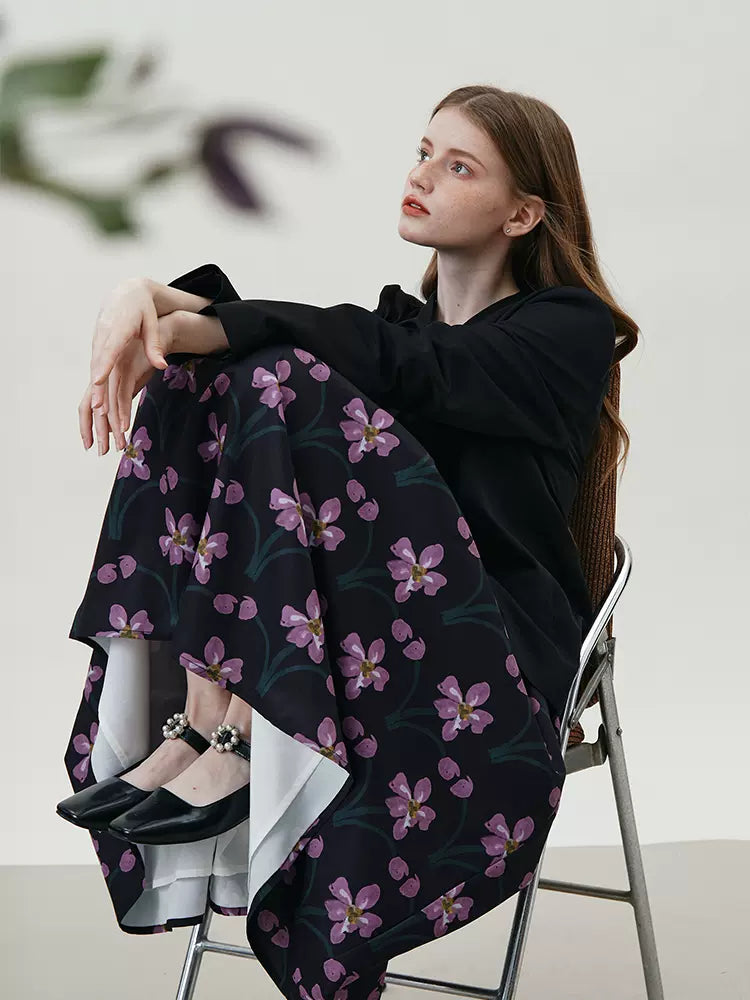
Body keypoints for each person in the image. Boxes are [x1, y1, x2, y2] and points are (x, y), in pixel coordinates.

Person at [57, 85, 638, 1000]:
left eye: (459, 166)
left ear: (524, 213)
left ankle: (235, 734)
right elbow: (366, 346)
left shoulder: (567, 330)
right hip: (364, 634)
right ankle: (206, 720)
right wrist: (147, 300)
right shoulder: (398, 327)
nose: (423, 176)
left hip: (489, 658)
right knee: (202, 383)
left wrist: (191, 317)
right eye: (424, 152)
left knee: (280, 376)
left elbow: (408, 366)